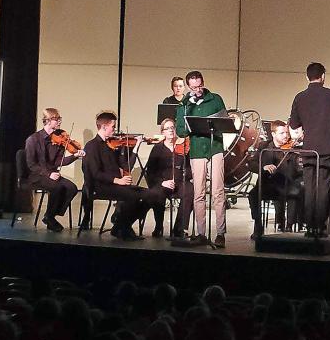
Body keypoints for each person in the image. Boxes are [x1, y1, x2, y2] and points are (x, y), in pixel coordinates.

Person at [289, 62, 330, 237]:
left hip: (308, 149)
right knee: (323, 187)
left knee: (310, 187)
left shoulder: (299, 97)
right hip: (326, 148)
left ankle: (310, 227)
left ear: (307, 77)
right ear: (323, 76)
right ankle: (320, 227)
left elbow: (294, 124)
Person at [84, 112, 162, 242]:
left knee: (151, 195)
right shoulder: (92, 146)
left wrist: (135, 148)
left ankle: (121, 226)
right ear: (104, 127)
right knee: (133, 197)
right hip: (101, 186)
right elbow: (95, 173)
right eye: (113, 126)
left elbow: (126, 166)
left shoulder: (111, 145)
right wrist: (118, 180)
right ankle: (124, 228)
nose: (115, 130)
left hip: (115, 184)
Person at [174, 71, 229, 248]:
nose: (197, 90)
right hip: (197, 150)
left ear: (203, 83)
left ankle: (220, 233)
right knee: (198, 193)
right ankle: (201, 233)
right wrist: (188, 113)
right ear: (189, 87)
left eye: (199, 86)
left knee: (218, 192)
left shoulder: (215, 99)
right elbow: (181, 131)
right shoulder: (184, 104)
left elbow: (224, 122)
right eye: (193, 87)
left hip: (215, 148)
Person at [23, 108, 85, 232]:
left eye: (59, 119)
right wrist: (48, 173)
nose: (59, 122)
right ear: (47, 120)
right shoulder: (33, 139)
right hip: (36, 175)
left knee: (72, 188)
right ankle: (50, 218)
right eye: (56, 119)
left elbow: (58, 162)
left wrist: (74, 156)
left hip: (52, 174)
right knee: (56, 187)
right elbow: (31, 165)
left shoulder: (59, 139)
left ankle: (50, 216)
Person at [248, 121, 305, 240]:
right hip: (268, 184)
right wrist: (263, 167)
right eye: (282, 133)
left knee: (295, 192)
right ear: (273, 134)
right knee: (253, 194)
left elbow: (300, 171)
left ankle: (289, 227)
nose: (286, 136)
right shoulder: (264, 146)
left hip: (287, 184)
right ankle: (258, 225)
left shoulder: (294, 149)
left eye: (287, 133)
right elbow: (251, 164)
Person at [143, 118, 194, 239]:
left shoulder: (183, 147)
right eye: (167, 129)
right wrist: (162, 182)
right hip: (162, 183)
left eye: (172, 128)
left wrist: (185, 176)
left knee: (190, 190)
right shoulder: (158, 149)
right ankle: (159, 226)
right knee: (157, 193)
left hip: (179, 182)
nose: (171, 130)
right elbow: (150, 172)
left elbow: (190, 168)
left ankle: (179, 228)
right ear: (163, 133)